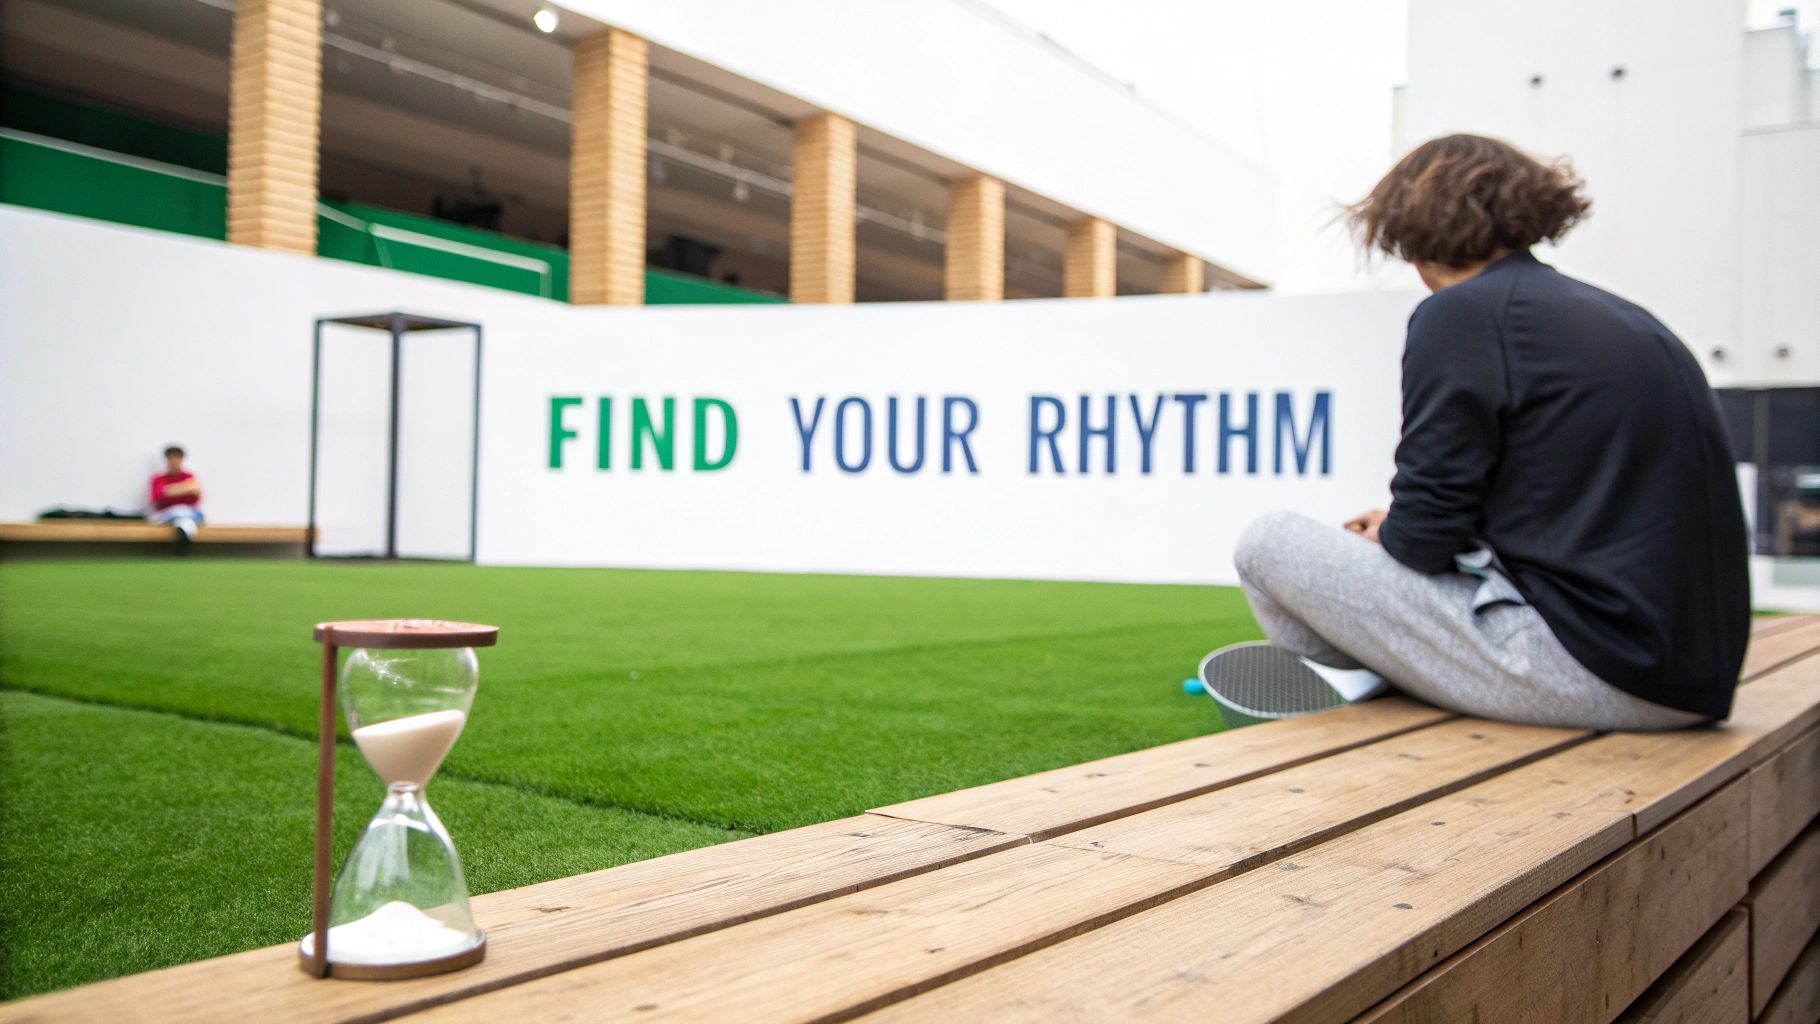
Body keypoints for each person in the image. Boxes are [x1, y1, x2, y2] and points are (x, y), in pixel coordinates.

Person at [1198, 134, 1749, 732]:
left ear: (1406, 236)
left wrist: (1396, 533)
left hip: (1597, 673)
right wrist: (1400, 527)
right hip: (1690, 677)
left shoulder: (1461, 315)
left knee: (1268, 543)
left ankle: (1381, 678)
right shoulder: (1626, 319)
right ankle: (1398, 675)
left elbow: (1427, 538)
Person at [148, 445, 204, 541]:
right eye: (171, 458)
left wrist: (170, 489)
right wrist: (185, 488)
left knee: (185, 513)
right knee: (177, 513)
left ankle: (184, 528)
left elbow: (195, 496)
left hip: (189, 512)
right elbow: (157, 497)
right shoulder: (158, 478)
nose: (174, 461)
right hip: (166, 514)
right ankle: (185, 528)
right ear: (167, 459)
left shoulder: (188, 476)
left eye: (177, 457)